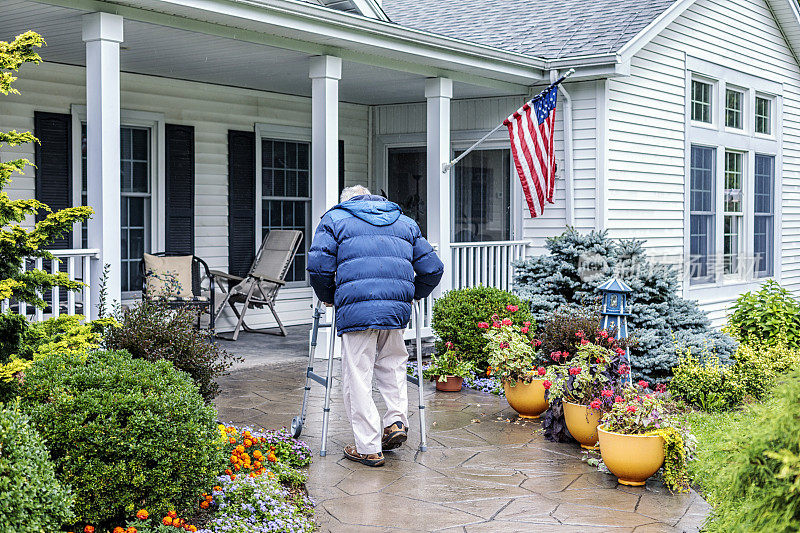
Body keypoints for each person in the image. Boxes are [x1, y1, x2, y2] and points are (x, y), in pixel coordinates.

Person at [307, 185, 443, 467]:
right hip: (396, 309)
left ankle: (368, 447)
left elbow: (319, 267)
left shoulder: (334, 220)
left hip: (356, 309)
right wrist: (411, 293)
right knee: (392, 364)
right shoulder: (405, 222)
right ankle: (395, 421)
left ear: (346, 202)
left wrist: (330, 297)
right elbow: (433, 268)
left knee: (358, 373)